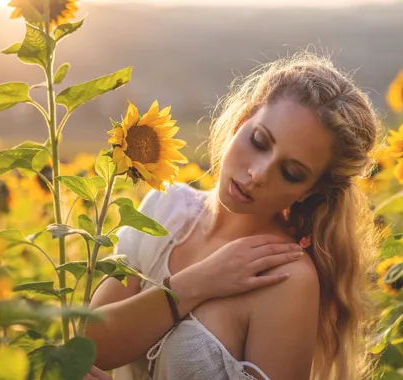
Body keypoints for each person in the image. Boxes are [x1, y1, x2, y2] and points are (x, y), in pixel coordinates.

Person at [84, 53, 381, 380]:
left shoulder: (285, 278)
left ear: (309, 191)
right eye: (259, 141)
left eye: (291, 172)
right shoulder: (166, 209)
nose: (257, 173)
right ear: (242, 120)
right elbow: (88, 346)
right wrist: (196, 283)